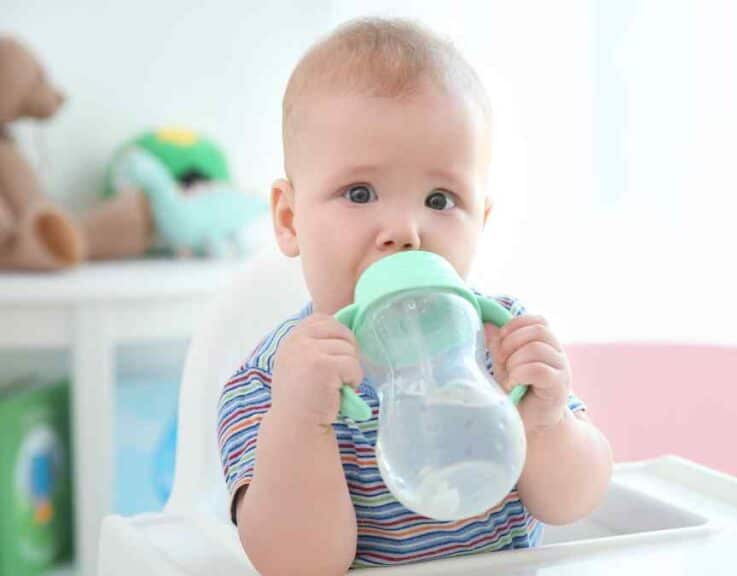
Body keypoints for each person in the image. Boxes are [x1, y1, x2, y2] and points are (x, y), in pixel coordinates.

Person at [217, 18, 612, 575]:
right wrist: (301, 420)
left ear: (481, 220)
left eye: (440, 198)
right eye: (360, 193)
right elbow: (296, 564)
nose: (405, 229)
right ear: (290, 219)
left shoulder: (501, 341)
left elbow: (574, 502)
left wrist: (547, 420)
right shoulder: (271, 381)